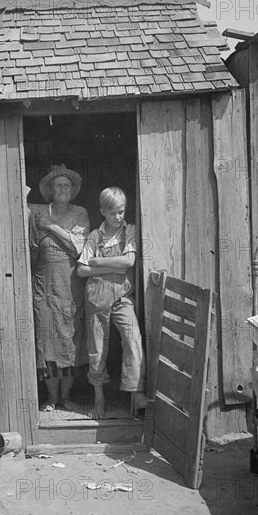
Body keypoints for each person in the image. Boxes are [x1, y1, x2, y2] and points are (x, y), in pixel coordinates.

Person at [77, 187, 149, 419]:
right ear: (102, 212)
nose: (118, 217)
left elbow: (128, 261)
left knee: (133, 339)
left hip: (122, 297)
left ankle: (135, 393)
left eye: (121, 211)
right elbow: (81, 270)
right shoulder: (95, 237)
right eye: (113, 213)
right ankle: (99, 398)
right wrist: (109, 266)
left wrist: (98, 262)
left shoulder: (130, 231)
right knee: (97, 350)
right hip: (96, 298)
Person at [30, 164, 90, 412]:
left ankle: (66, 397)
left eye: (67, 185)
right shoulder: (39, 211)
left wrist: (51, 227)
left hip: (70, 284)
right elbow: (17, 203)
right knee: (47, 343)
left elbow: (78, 247)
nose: (63, 189)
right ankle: (51, 398)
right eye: (58, 185)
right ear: (50, 191)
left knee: (69, 340)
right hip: (44, 285)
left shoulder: (80, 213)